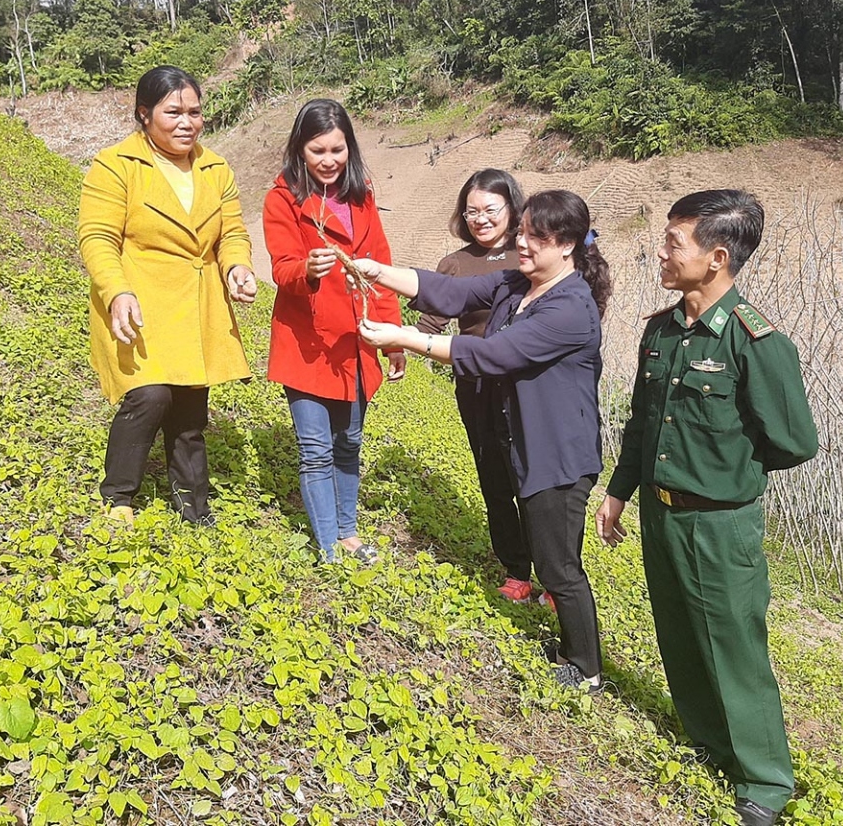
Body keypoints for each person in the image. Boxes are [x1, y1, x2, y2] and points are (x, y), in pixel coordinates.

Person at [594, 190, 818, 826]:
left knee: (735, 646)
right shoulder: (661, 331)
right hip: (661, 514)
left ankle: (765, 783)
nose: (662, 252)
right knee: (680, 633)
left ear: (717, 257)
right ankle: (709, 743)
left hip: (721, 522)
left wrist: (728, 475)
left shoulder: (757, 342)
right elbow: (643, 422)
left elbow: (795, 441)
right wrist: (619, 491)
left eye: (675, 242)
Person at [356, 190, 613, 691]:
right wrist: (378, 270)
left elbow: (495, 353)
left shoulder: (570, 308)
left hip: (558, 453)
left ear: (567, 246)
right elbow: (451, 293)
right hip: (523, 441)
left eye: (536, 237)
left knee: (558, 567)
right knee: (548, 555)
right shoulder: (520, 283)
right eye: (523, 232)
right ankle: (570, 650)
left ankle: (586, 669)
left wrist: (406, 338)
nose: (523, 243)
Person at [78, 65, 257, 526]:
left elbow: (232, 232)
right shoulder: (116, 166)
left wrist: (237, 265)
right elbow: (97, 237)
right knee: (150, 395)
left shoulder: (215, 168)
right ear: (144, 115)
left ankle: (192, 504)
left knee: (191, 406)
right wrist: (116, 291)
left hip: (197, 305)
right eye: (173, 112)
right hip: (139, 300)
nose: (187, 122)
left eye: (195, 112)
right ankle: (119, 495)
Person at [263, 99, 406, 564]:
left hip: (355, 343)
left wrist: (393, 339)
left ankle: (348, 533)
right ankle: (328, 547)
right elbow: (282, 268)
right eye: (317, 150)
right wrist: (308, 268)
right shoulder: (282, 199)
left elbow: (379, 272)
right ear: (299, 150)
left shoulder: (361, 195)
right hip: (305, 344)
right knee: (315, 450)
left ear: (350, 148)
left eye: (337, 150)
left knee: (349, 443)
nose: (328, 161)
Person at [414, 169, 534, 603]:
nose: (480, 219)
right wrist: (398, 344)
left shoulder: (530, 256)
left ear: (512, 209)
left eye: (490, 210)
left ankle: (556, 574)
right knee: (495, 479)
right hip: (477, 389)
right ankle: (518, 571)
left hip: (526, 388)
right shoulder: (456, 264)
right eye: (471, 211)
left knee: (533, 478)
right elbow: (430, 320)